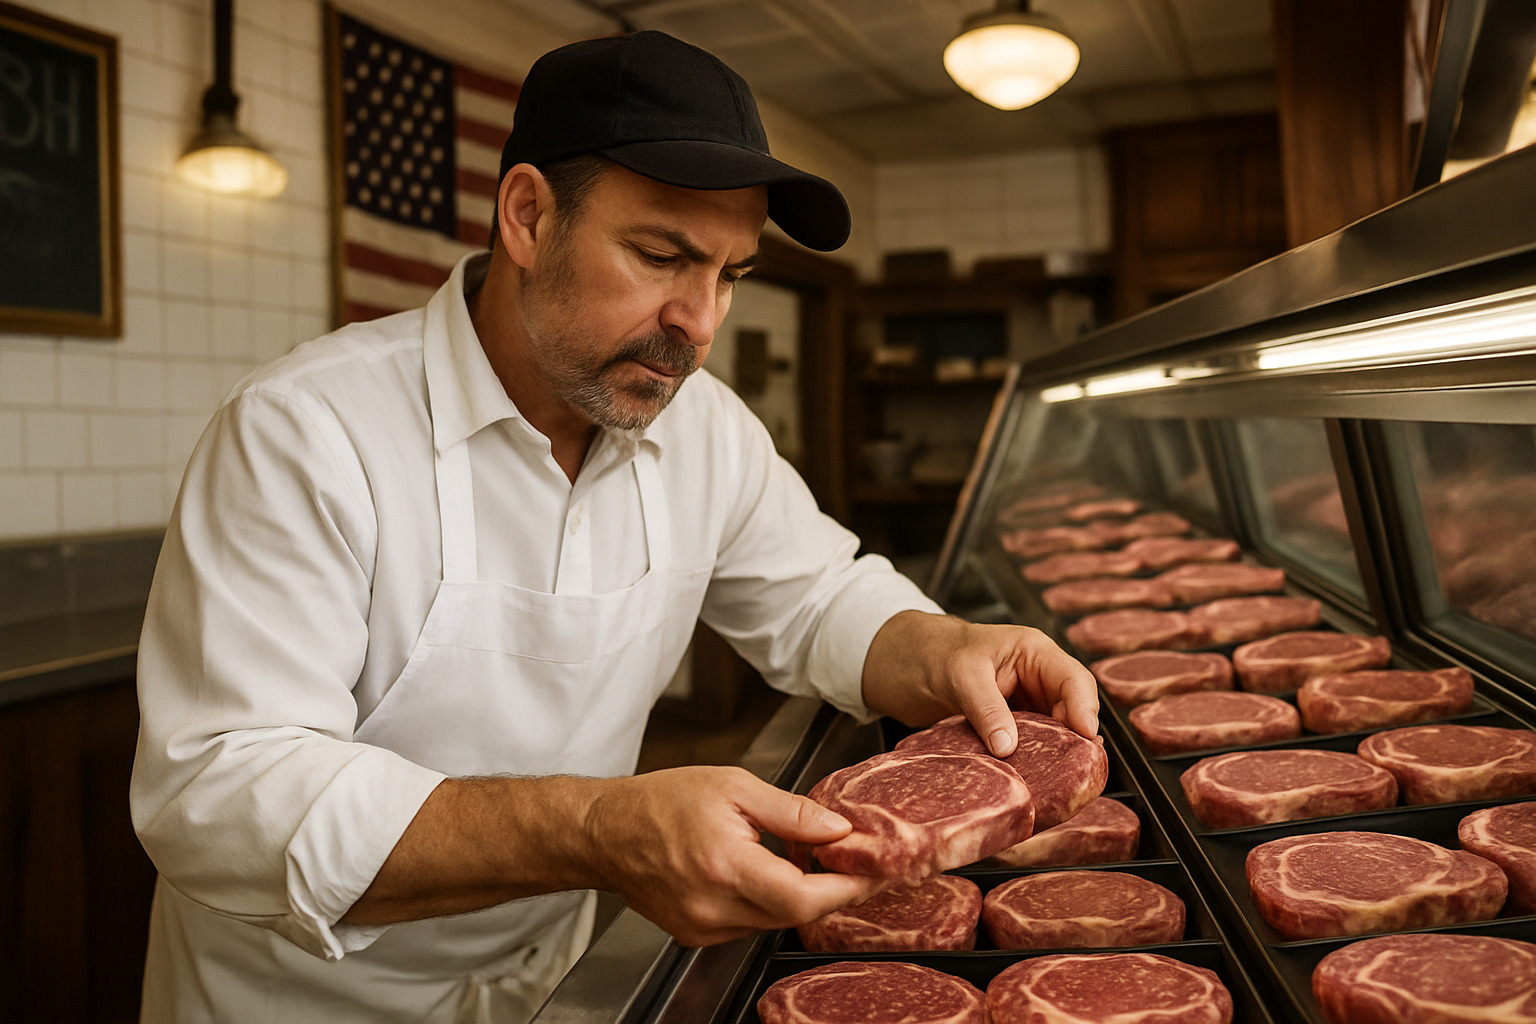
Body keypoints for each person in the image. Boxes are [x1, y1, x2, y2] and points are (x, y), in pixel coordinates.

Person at [130, 29, 1098, 1024]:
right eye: (660, 254)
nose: (701, 321)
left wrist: (945, 648)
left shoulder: (708, 428)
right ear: (527, 215)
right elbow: (223, 794)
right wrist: (597, 826)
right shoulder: (307, 430)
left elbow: (819, 595)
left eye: (731, 273)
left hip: (551, 976)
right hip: (301, 995)